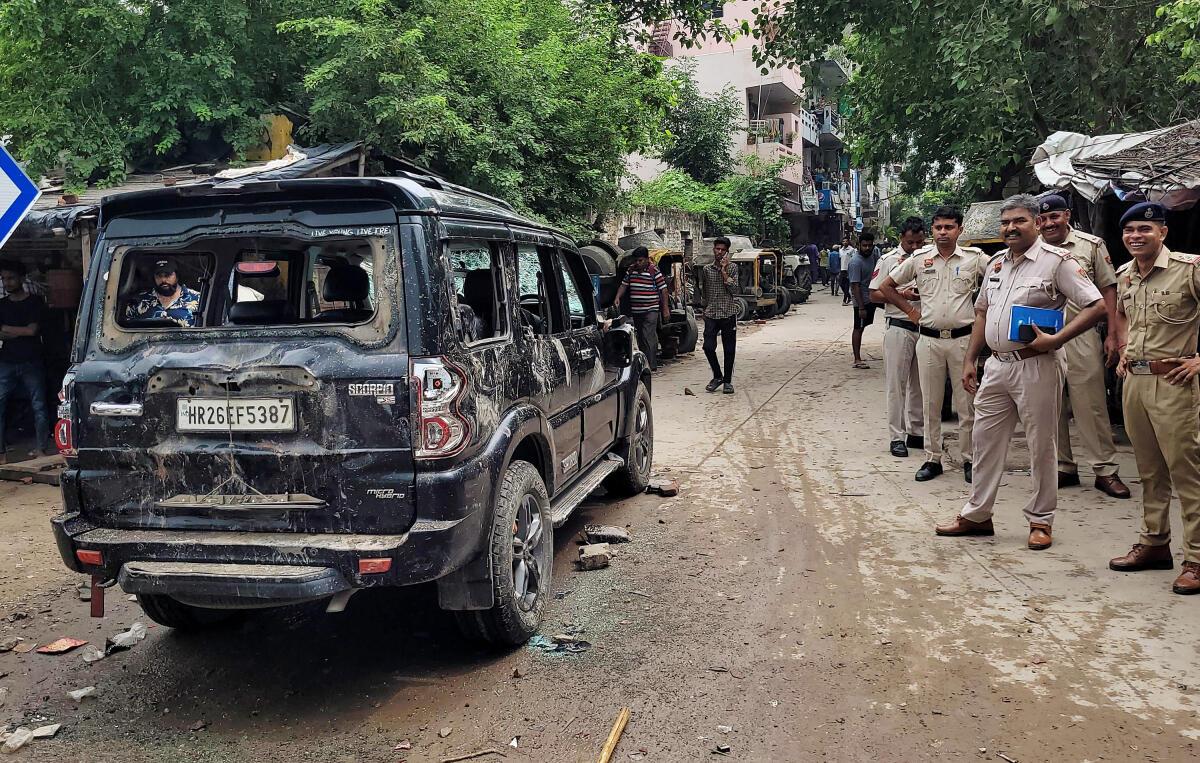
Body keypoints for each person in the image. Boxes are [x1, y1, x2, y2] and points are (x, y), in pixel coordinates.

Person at [934, 195, 1104, 551]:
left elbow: (1097, 304)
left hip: (1036, 365)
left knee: (1041, 444)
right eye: (1006, 222)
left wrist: (1057, 339)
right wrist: (970, 359)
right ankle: (978, 514)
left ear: (1037, 223)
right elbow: (982, 312)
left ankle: (1041, 520)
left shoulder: (1057, 262)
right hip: (996, 365)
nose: (1011, 228)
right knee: (984, 440)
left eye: (1019, 221)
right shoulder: (996, 264)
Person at [1108, 202, 1200, 594]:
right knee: (1148, 469)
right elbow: (1125, 316)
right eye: (1129, 231)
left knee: (1187, 472)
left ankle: (1196, 558)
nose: (1135, 237)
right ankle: (1154, 542)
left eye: (1144, 229)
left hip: (1175, 382)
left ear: (1162, 231)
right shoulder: (1126, 274)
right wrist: (1126, 348)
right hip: (1136, 382)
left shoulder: (1189, 269)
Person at [878, 206, 986, 483]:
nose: (943, 233)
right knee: (930, 402)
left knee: (966, 403)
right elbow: (885, 286)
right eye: (938, 227)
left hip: (963, 340)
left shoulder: (975, 259)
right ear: (932, 231)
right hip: (928, 340)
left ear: (960, 230)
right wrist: (911, 311)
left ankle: (969, 459)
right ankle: (932, 458)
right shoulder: (919, 259)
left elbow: (1002, 276)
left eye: (949, 227)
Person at [1035, 195, 1131, 499]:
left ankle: (1105, 469)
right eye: (1044, 219)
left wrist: (1113, 335)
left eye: (1055, 217)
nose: (1049, 223)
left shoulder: (1090, 245)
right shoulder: (1033, 248)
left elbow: (1108, 289)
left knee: (1090, 403)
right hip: (1040, 336)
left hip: (1080, 335)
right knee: (1050, 404)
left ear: (1067, 215)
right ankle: (1064, 466)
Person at [870, 217, 926, 457]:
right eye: (910, 242)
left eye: (919, 242)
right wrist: (901, 295)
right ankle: (896, 436)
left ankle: (917, 432)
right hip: (899, 326)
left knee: (921, 385)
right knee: (897, 384)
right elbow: (873, 294)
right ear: (901, 238)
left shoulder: (928, 258)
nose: (915, 246)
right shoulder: (889, 260)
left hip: (925, 327)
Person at [0, 262, 49, 463]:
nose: (7, 282)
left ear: (21, 279)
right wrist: (20, 331)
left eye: (10, 278)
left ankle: (41, 449)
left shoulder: (35, 302)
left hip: (31, 361)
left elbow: (32, 331)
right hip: (6, 361)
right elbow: (24, 331)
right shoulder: (1, 304)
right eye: (3, 279)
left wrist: (6, 328)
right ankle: (1, 453)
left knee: (39, 405)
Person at [614, 247, 670, 371]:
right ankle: (645, 363)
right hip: (637, 310)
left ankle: (651, 364)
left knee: (647, 334)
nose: (638, 263)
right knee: (641, 336)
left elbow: (664, 290)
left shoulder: (653, 270)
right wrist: (618, 297)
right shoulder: (631, 270)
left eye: (640, 261)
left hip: (651, 309)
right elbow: (624, 285)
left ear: (646, 259)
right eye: (636, 261)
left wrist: (665, 309)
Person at [700, 237, 739, 394]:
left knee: (729, 349)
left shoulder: (733, 268)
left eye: (723, 250)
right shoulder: (706, 270)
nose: (719, 252)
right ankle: (717, 376)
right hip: (711, 313)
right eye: (717, 249)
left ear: (727, 252)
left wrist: (723, 271)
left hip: (728, 312)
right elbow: (704, 290)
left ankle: (727, 381)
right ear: (713, 249)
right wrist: (704, 308)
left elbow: (734, 290)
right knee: (708, 347)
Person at [125, 258, 201, 327]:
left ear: (177, 276)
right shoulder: (137, 301)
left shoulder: (197, 299)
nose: (163, 280)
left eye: (167, 275)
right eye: (159, 276)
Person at [848, 232, 881, 369]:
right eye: (864, 245)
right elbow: (855, 286)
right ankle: (857, 359)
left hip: (874, 295)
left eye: (869, 245)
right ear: (859, 246)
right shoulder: (855, 262)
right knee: (859, 327)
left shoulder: (874, 255)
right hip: (861, 299)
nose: (867, 248)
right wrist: (861, 307)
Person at [839, 237, 854, 305]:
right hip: (842, 269)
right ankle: (849, 296)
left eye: (846, 241)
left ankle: (844, 300)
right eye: (843, 241)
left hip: (848, 269)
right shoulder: (841, 250)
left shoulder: (851, 250)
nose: (844, 242)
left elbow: (853, 260)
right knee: (841, 284)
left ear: (848, 242)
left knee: (846, 286)